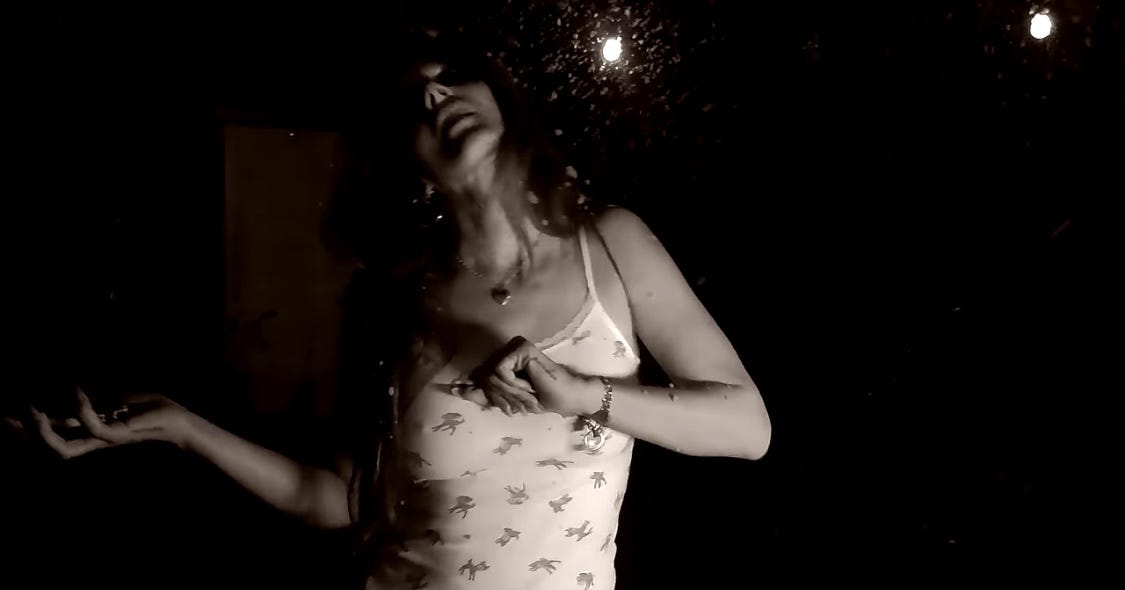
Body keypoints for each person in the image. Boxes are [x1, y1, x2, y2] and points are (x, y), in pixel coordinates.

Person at [18, 33, 771, 590]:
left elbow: (747, 429)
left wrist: (584, 395)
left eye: (451, 77)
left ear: (501, 98)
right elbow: (344, 499)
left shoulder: (609, 242)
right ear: (410, 164)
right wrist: (184, 427)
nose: (437, 98)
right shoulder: (399, 305)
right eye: (416, 101)